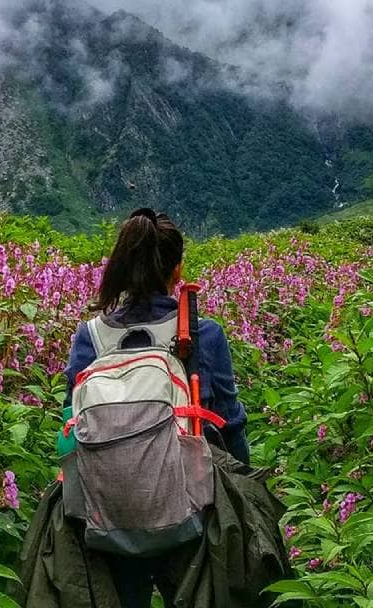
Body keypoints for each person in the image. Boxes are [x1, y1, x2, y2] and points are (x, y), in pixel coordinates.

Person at [64, 208, 250, 608]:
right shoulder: (203, 333)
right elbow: (232, 428)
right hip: (191, 509)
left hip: (109, 514)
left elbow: (69, 430)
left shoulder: (90, 338)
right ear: (177, 269)